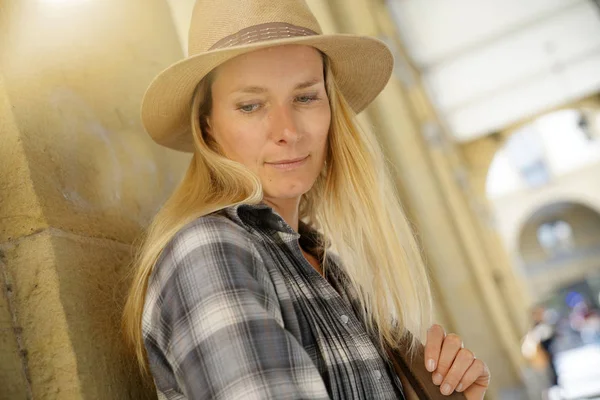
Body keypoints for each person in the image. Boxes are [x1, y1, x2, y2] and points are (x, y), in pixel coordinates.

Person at [122, 0, 491, 399]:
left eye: (305, 97)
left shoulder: (325, 263)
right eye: (250, 105)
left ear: (332, 108)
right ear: (208, 126)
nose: (287, 130)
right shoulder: (209, 251)